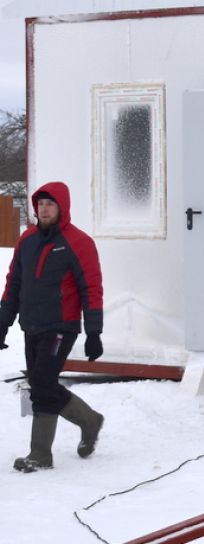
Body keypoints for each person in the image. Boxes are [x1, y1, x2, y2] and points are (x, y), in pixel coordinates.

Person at [0, 182, 105, 473]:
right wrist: (3, 322)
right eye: (40, 204)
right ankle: (89, 420)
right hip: (32, 324)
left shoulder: (78, 242)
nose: (43, 209)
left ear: (62, 207)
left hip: (61, 324)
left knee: (43, 383)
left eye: (50, 204)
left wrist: (94, 331)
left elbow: (91, 287)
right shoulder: (27, 240)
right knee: (40, 384)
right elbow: (14, 283)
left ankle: (41, 454)